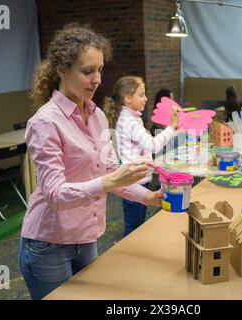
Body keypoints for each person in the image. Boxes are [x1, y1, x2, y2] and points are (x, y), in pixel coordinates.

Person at [19, 24, 162, 300]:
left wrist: (150, 197)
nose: (97, 79)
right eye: (87, 71)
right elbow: (55, 195)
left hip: (86, 238)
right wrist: (113, 180)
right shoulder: (46, 122)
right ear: (61, 70)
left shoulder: (96, 115)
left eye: (100, 70)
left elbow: (109, 173)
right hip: (47, 246)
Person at [103, 77, 179, 236]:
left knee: (136, 225)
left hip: (136, 181)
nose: (146, 98)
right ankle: (129, 257)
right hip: (134, 184)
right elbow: (153, 145)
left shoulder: (131, 118)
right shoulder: (130, 122)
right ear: (128, 98)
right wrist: (171, 127)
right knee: (134, 229)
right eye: (141, 94)